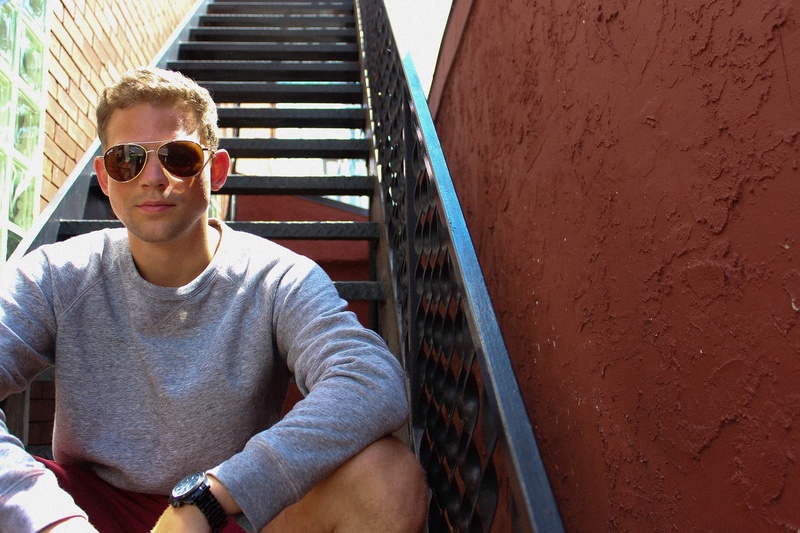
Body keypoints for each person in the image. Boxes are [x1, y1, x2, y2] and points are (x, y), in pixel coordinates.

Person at [0, 67, 427, 533]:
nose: (153, 178)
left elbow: (369, 377)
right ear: (104, 178)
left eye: (179, 156)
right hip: (90, 510)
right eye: (128, 160)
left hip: (228, 514)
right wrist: (49, 520)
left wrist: (210, 497)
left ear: (216, 169)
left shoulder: (277, 278)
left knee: (388, 475)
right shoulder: (60, 274)